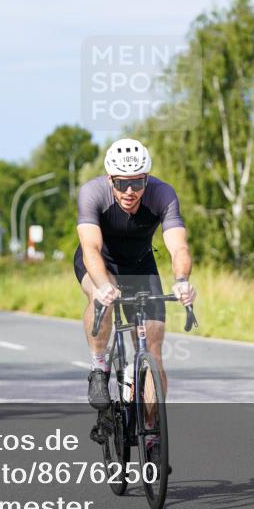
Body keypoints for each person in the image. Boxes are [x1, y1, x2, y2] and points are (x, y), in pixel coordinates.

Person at [75, 139, 197, 458]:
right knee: (101, 297)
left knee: (153, 350)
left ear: (147, 179)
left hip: (141, 263)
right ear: (110, 180)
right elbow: (89, 247)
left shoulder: (162, 194)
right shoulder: (93, 193)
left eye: (137, 182)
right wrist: (103, 284)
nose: (130, 191)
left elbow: (178, 246)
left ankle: (153, 432)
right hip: (101, 261)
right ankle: (99, 366)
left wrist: (182, 281)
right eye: (123, 183)